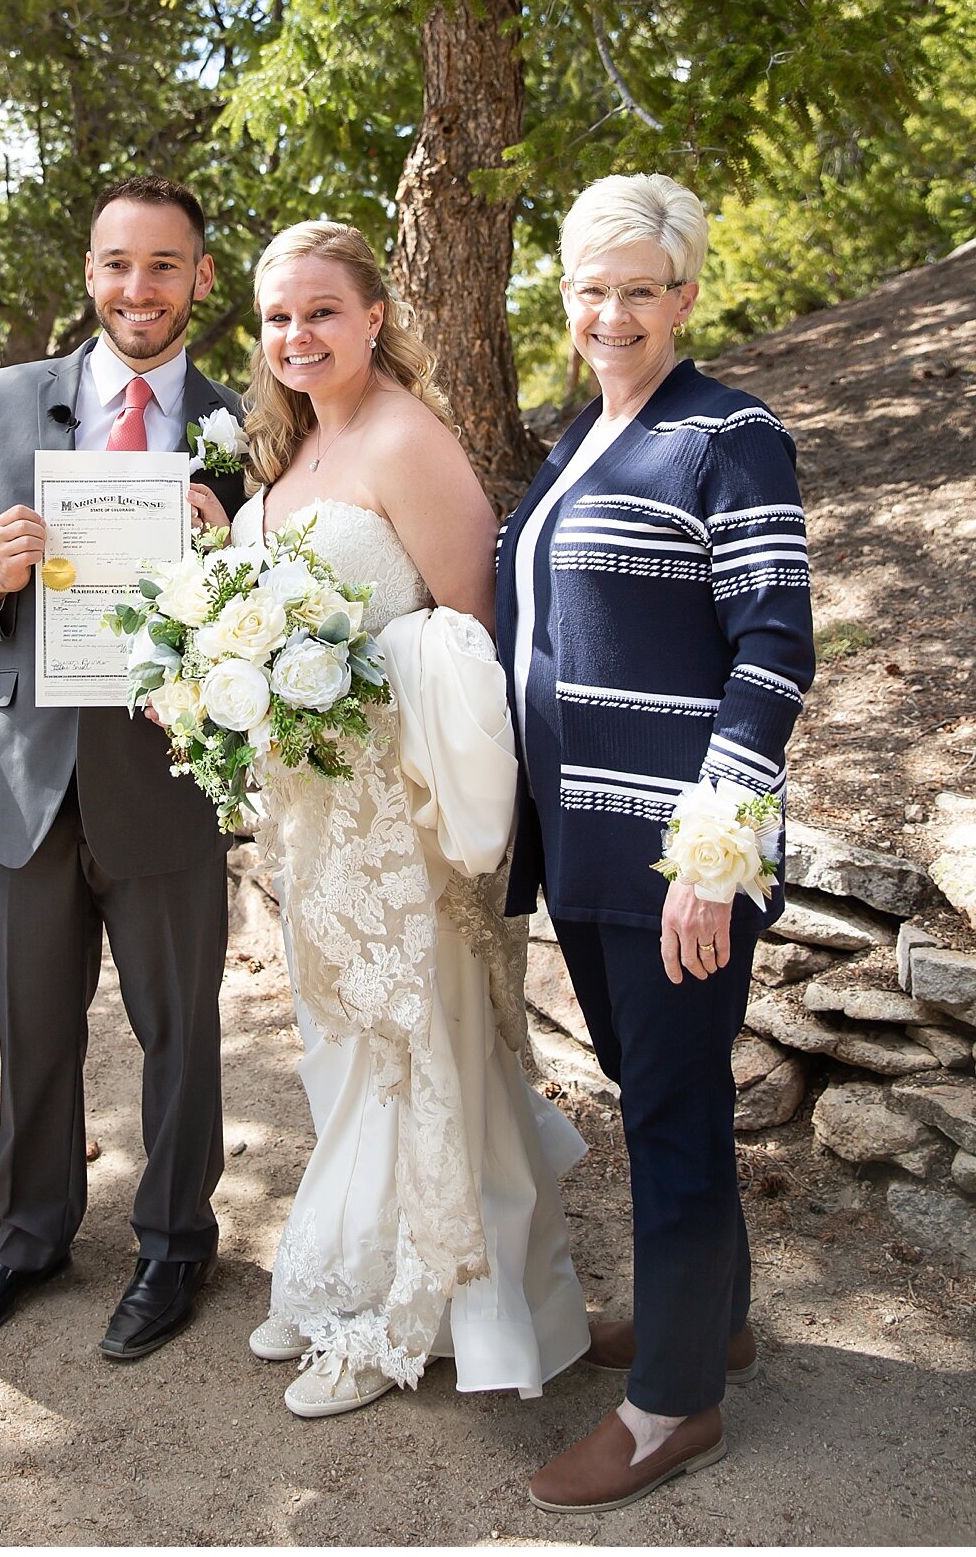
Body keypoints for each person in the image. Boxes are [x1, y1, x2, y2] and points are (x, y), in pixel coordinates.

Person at [195, 220, 591, 1420]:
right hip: (317, 816)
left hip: (404, 811)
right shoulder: (293, 450)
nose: (295, 333)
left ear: (375, 316)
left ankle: (409, 1315)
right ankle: (348, 1266)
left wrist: (343, 677)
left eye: (320, 310)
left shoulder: (409, 439)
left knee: (423, 1046)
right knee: (347, 1042)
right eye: (276, 316)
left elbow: (469, 639)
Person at [495, 173, 815, 1514]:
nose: (612, 312)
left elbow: (775, 649)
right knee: (650, 1096)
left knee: (674, 1115)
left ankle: (672, 1409)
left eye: (640, 288)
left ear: (685, 294)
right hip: (582, 845)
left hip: (681, 856)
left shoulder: (727, 436)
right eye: (590, 289)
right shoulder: (580, 435)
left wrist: (711, 851)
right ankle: (715, 1324)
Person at [0, 177, 246, 1362]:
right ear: (88, 271)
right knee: (32, 1022)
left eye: (163, 265)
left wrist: (231, 557)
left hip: (166, 766)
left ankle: (173, 1237)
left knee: (179, 1026)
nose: (136, 289)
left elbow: (286, 603)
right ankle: (31, 1232)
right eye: (116, 264)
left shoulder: (247, 423)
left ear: (201, 276)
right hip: (20, 767)